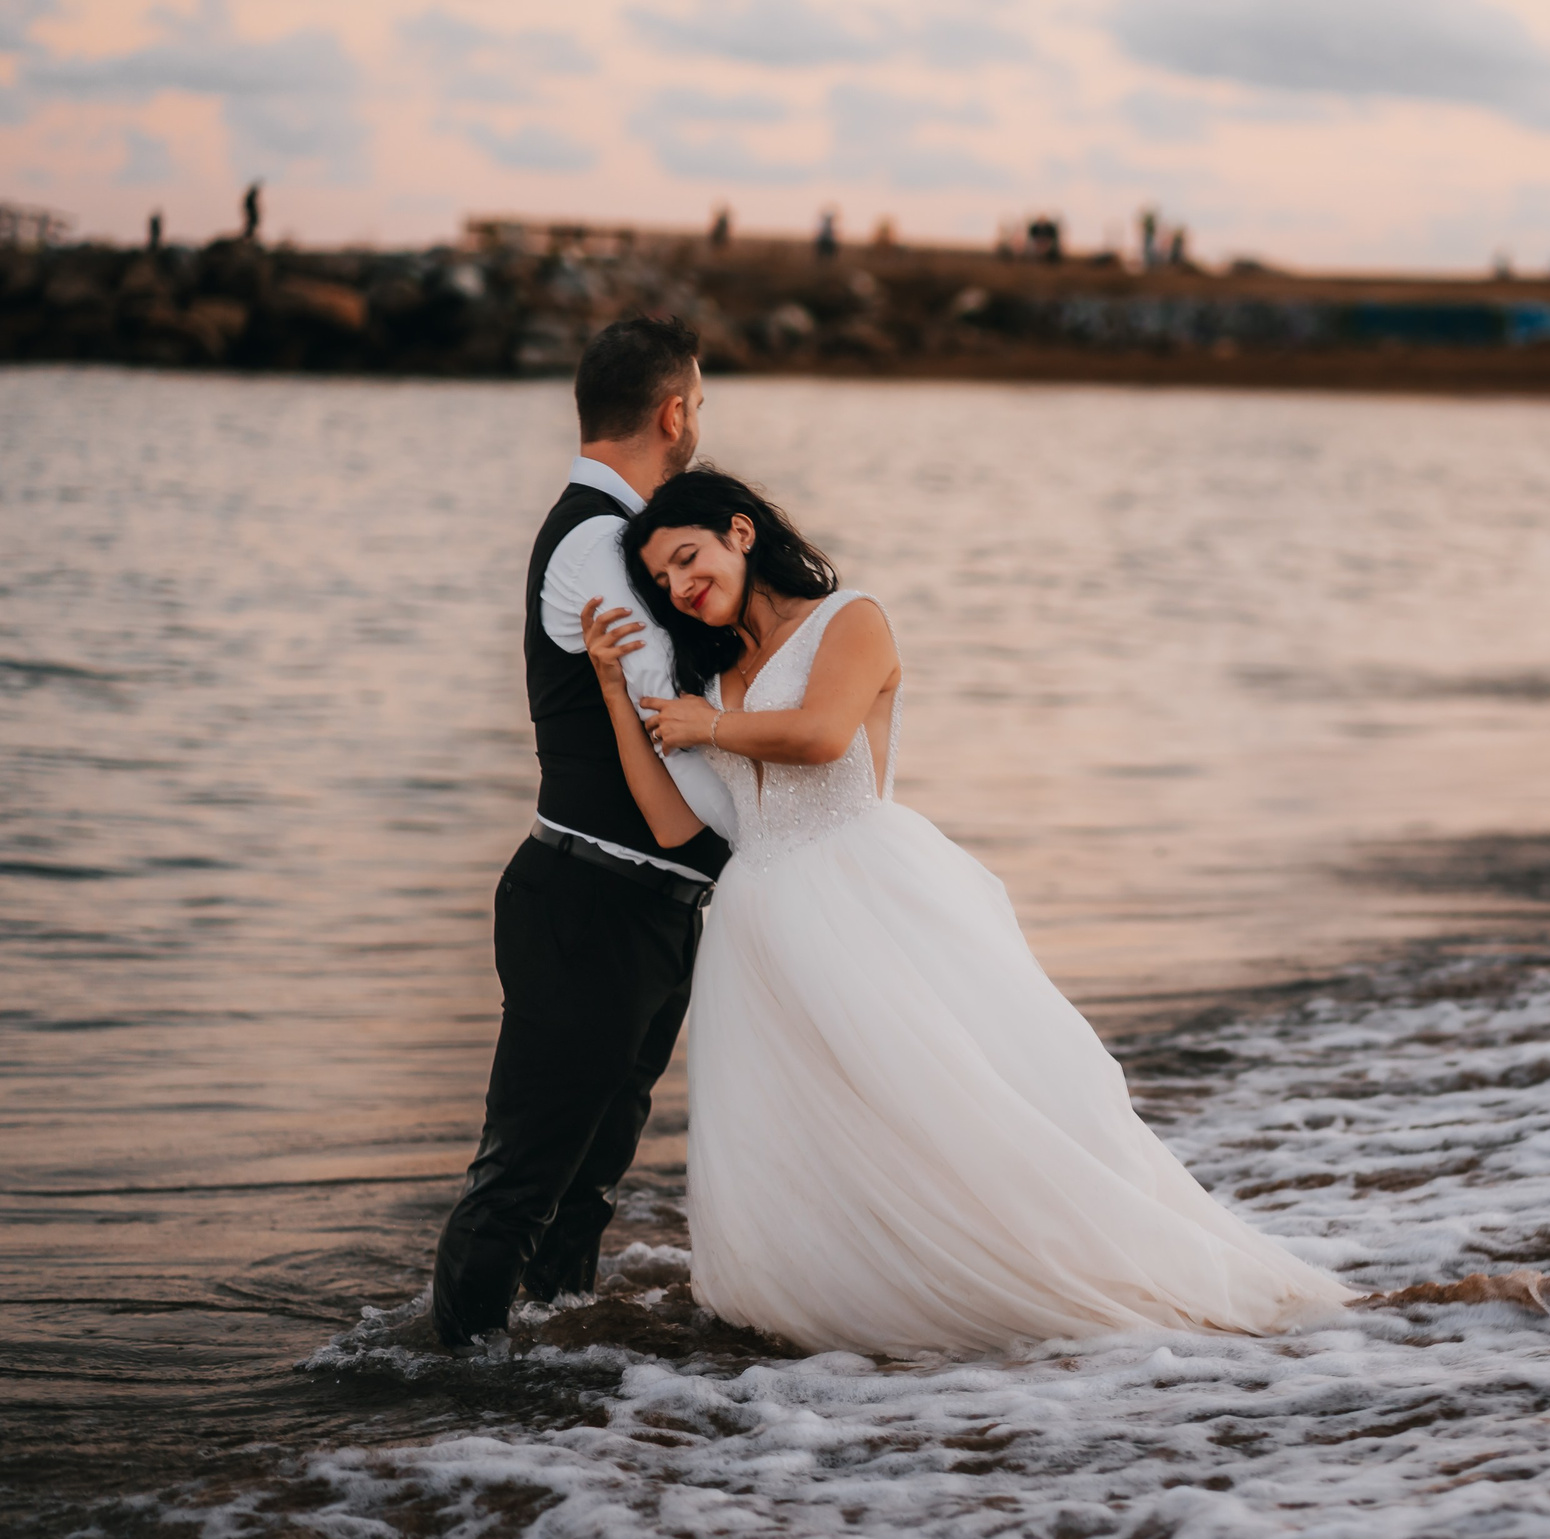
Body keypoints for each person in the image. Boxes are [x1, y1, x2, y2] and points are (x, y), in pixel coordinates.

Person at [573, 470, 1356, 1356]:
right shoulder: (710, 679)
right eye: (663, 580)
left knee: (939, 1109)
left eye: (688, 558)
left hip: (860, 894)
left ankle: (1030, 1289)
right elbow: (674, 822)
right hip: (758, 928)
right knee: (814, 1146)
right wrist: (613, 690)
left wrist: (702, 729)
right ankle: (839, 1323)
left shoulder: (850, 619)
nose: (680, 587)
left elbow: (825, 735)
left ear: (741, 533)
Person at [430, 317, 736, 1348]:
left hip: (641, 906)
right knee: (524, 1174)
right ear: (674, 412)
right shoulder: (599, 541)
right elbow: (675, 711)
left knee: (588, 1179)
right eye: (699, 403)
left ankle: (541, 1381)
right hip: (589, 900)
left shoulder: (621, 534)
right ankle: (448, 1392)